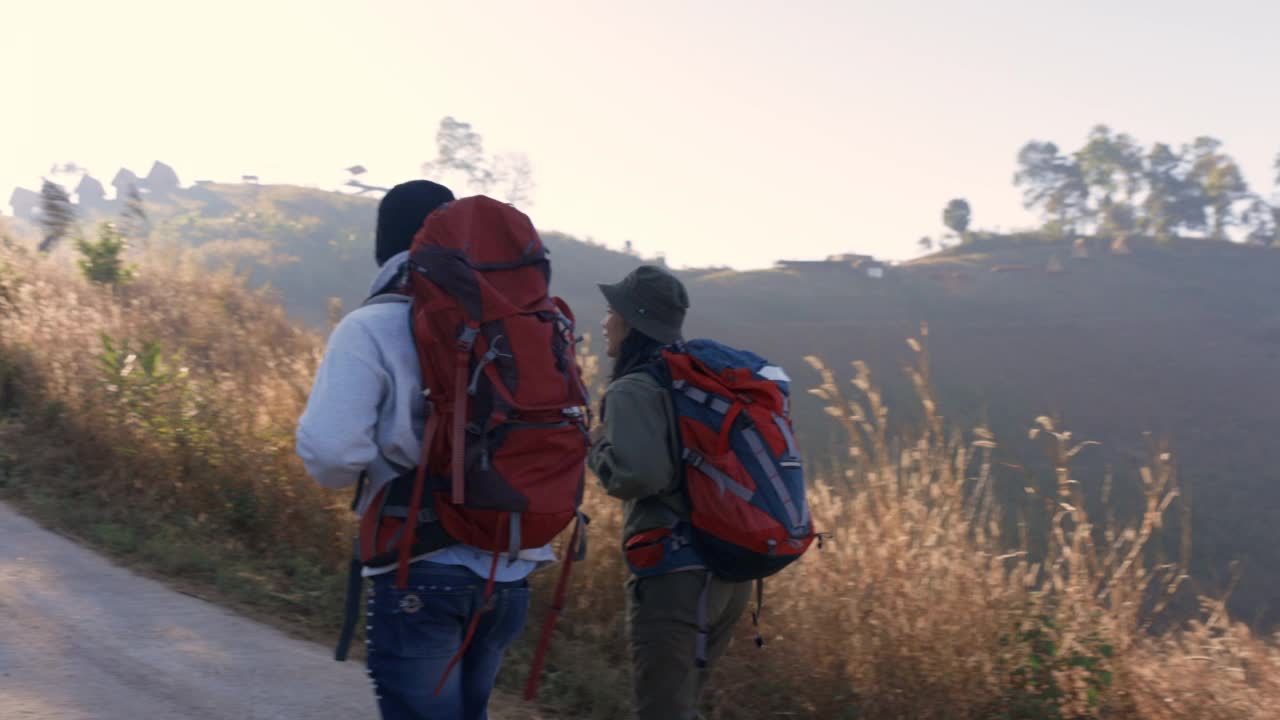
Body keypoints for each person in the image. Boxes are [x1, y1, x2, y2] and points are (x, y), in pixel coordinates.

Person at [296, 179, 555, 720]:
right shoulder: (522, 323)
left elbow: (331, 453)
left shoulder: (371, 325)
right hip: (509, 569)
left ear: (381, 245)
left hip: (420, 565)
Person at [588, 265, 752, 720]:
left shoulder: (634, 388)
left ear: (632, 321)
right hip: (728, 569)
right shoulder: (697, 379)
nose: (604, 322)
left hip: (676, 575)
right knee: (682, 705)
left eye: (610, 311)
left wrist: (597, 446)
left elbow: (640, 477)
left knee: (662, 711)